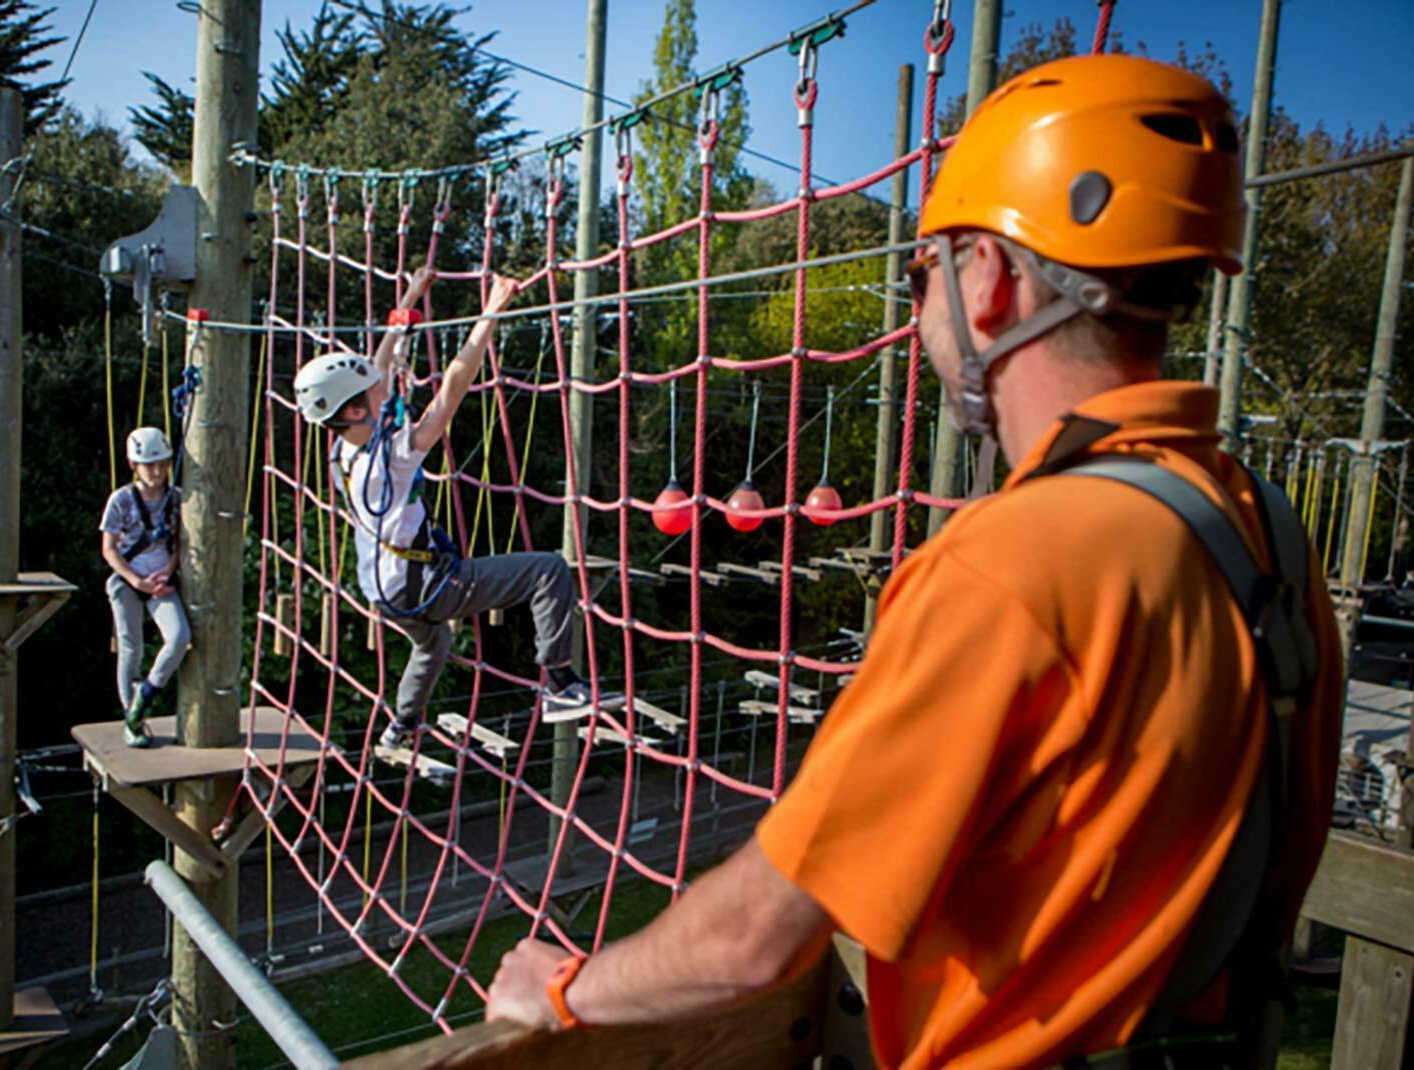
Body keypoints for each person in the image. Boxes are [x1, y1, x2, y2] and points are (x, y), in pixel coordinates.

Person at [483, 54, 1345, 1069]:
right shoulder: (1259, 534)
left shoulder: (1015, 563)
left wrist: (563, 987)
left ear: (989, 277)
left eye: (922, 271)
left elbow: (756, 932)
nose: (917, 304)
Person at [292, 269, 603, 765]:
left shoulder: (340, 452)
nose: (383, 389)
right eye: (371, 394)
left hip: (384, 591)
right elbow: (454, 387)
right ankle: (561, 683)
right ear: (352, 411)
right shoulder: (395, 452)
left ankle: (400, 727)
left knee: (433, 642)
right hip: (426, 584)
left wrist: (410, 301)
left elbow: (378, 363)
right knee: (548, 571)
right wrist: (493, 309)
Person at [101, 426, 190, 747]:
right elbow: (109, 548)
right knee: (130, 645)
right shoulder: (121, 500)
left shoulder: (176, 499)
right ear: (133, 465)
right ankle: (131, 716)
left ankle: (145, 694)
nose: (157, 471)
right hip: (129, 579)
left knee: (180, 637)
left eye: (162, 464)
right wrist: (136, 580)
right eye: (149, 464)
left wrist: (167, 572)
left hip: (161, 580)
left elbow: (180, 543)